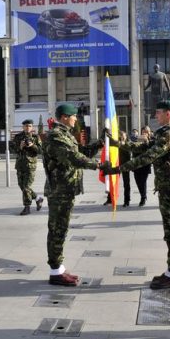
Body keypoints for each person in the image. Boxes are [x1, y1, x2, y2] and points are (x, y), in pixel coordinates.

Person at [102, 100, 170, 289]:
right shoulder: (163, 133)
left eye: (159, 112)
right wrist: (118, 143)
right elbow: (142, 148)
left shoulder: (169, 135)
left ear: (169, 113)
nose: (156, 115)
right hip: (167, 188)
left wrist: (117, 169)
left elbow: (147, 157)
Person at [42, 103, 104, 286]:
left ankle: (58, 268)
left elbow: (81, 152)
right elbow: (73, 158)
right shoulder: (56, 136)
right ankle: (55, 271)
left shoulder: (65, 134)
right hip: (59, 190)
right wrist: (98, 165)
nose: (76, 119)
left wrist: (99, 144)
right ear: (64, 117)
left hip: (65, 189)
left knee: (61, 228)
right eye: (74, 116)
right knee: (57, 229)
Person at [13, 119, 43, 215]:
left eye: (29, 126)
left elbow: (40, 150)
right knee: (22, 186)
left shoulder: (35, 137)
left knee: (26, 187)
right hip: (20, 165)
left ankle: (27, 207)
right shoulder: (18, 137)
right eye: (26, 126)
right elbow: (13, 149)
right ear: (23, 127)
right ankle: (38, 198)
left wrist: (32, 145)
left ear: (32, 127)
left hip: (30, 166)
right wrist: (20, 147)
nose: (28, 128)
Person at [132, 126, 152, 207]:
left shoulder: (151, 140)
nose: (145, 133)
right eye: (143, 131)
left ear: (149, 132)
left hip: (145, 164)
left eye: (146, 132)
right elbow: (133, 147)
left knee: (143, 182)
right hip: (136, 164)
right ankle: (143, 195)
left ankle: (143, 198)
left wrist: (147, 141)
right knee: (137, 181)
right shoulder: (138, 139)